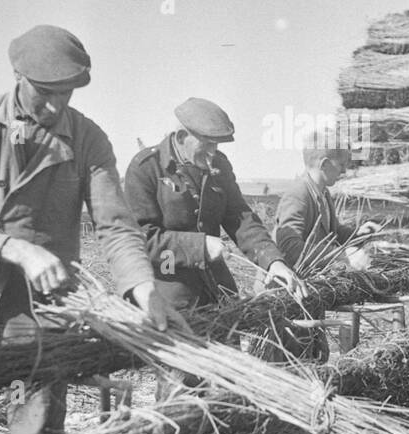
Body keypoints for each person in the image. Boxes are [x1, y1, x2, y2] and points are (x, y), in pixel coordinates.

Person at [0, 25, 187, 434]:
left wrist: (143, 287)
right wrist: (17, 250)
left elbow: (116, 226)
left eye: (66, 93)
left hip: (38, 310)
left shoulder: (88, 140)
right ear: (17, 76)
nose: (55, 105)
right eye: (45, 92)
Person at [123, 97, 307, 312]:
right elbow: (141, 238)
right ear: (182, 137)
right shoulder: (145, 169)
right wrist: (199, 247)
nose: (213, 151)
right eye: (208, 143)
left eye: (216, 144)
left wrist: (273, 261)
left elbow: (241, 218)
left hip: (217, 293)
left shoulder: (218, 165)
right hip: (168, 298)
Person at [274, 141, 379, 270]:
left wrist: (358, 234)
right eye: (341, 164)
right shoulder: (297, 195)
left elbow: (333, 231)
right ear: (324, 164)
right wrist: (341, 255)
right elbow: (290, 249)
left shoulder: (323, 192)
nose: (344, 170)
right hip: (285, 287)